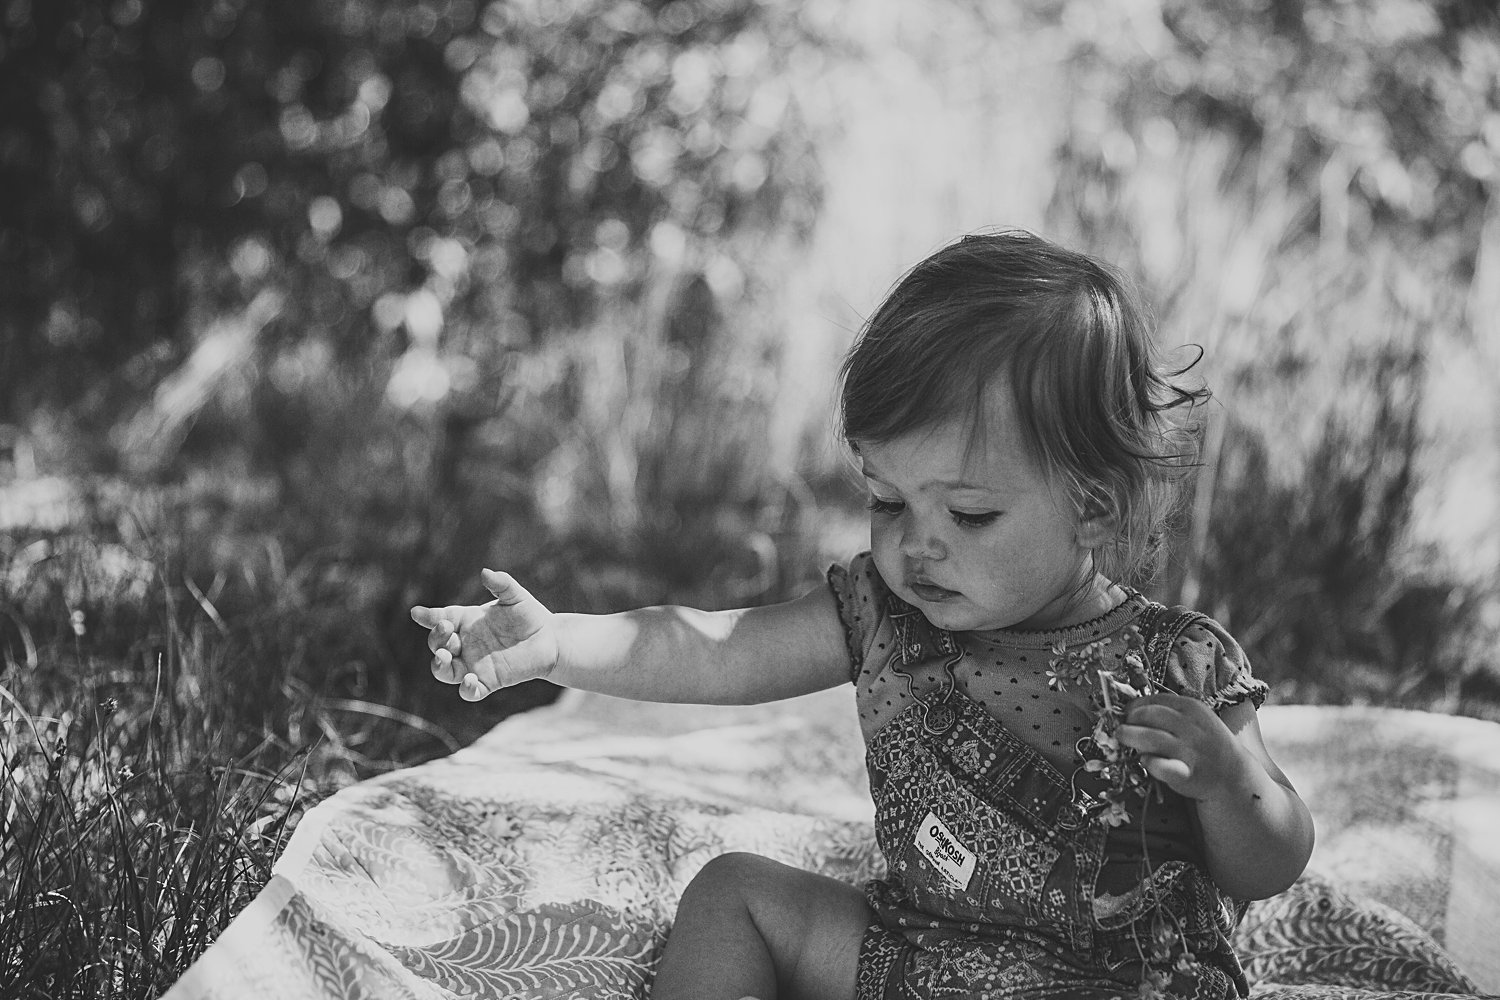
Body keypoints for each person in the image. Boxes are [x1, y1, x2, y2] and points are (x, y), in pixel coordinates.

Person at [410, 230, 1315, 1000]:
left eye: (968, 515)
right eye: (888, 502)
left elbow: (1270, 863)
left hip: (1120, 978)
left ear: (1095, 507)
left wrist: (1228, 780)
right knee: (735, 895)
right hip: (925, 958)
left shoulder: (1180, 662)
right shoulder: (884, 616)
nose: (918, 547)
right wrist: (561, 641)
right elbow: (718, 650)